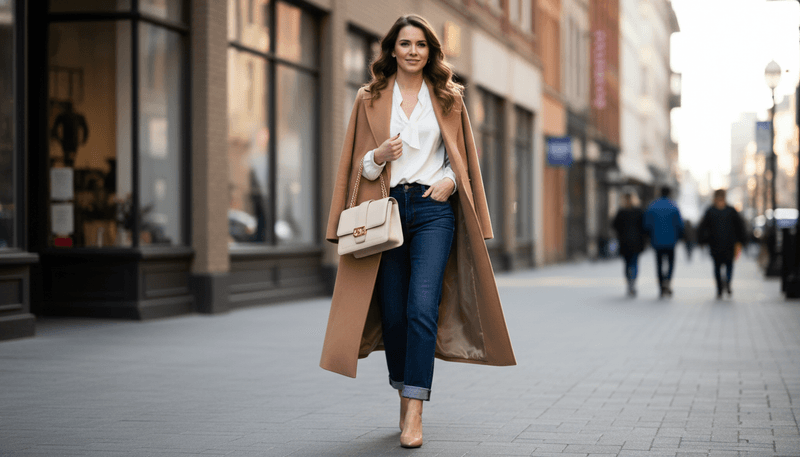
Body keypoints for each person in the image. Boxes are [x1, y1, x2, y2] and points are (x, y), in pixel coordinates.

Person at [320, 15, 516, 449]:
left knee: (421, 306)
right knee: (393, 313)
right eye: (405, 43)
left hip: (433, 209)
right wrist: (377, 155)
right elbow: (355, 164)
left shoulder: (448, 97)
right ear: (392, 49)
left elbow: (460, 154)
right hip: (386, 211)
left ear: (431, 51)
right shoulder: (368, 97)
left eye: (421, 44)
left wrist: (448, 178)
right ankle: (404, 382)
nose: (413, 51)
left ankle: (414, 409)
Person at [697, 189, 748, 299]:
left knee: (718, 267)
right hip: (727, 244)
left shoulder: (710, 210)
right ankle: (726, 283)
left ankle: (721, 288)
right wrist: (742, 240)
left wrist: (701, 241)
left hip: (717, 244)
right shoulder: (731, 210)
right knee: (728, 265)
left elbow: (702, 227)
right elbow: (740, 227)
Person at [643, 186, 684, 297]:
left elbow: (647, 225)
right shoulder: (674, 206)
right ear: (669, 193)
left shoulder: (653, 206)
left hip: (656, 241)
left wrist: (649, 236)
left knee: (659, 263)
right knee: (670, 263)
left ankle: (661, 286)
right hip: (671, 241)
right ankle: (668, 280)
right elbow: (680, 225)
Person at [612, 189, 647, 296]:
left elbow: (614, 225)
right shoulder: (639, 211)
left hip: (624, 242)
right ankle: (633, 282)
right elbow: (644, 227)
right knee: (634, 263)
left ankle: (629, 283)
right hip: (636, 242)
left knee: (627, 264)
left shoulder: (621, 212)